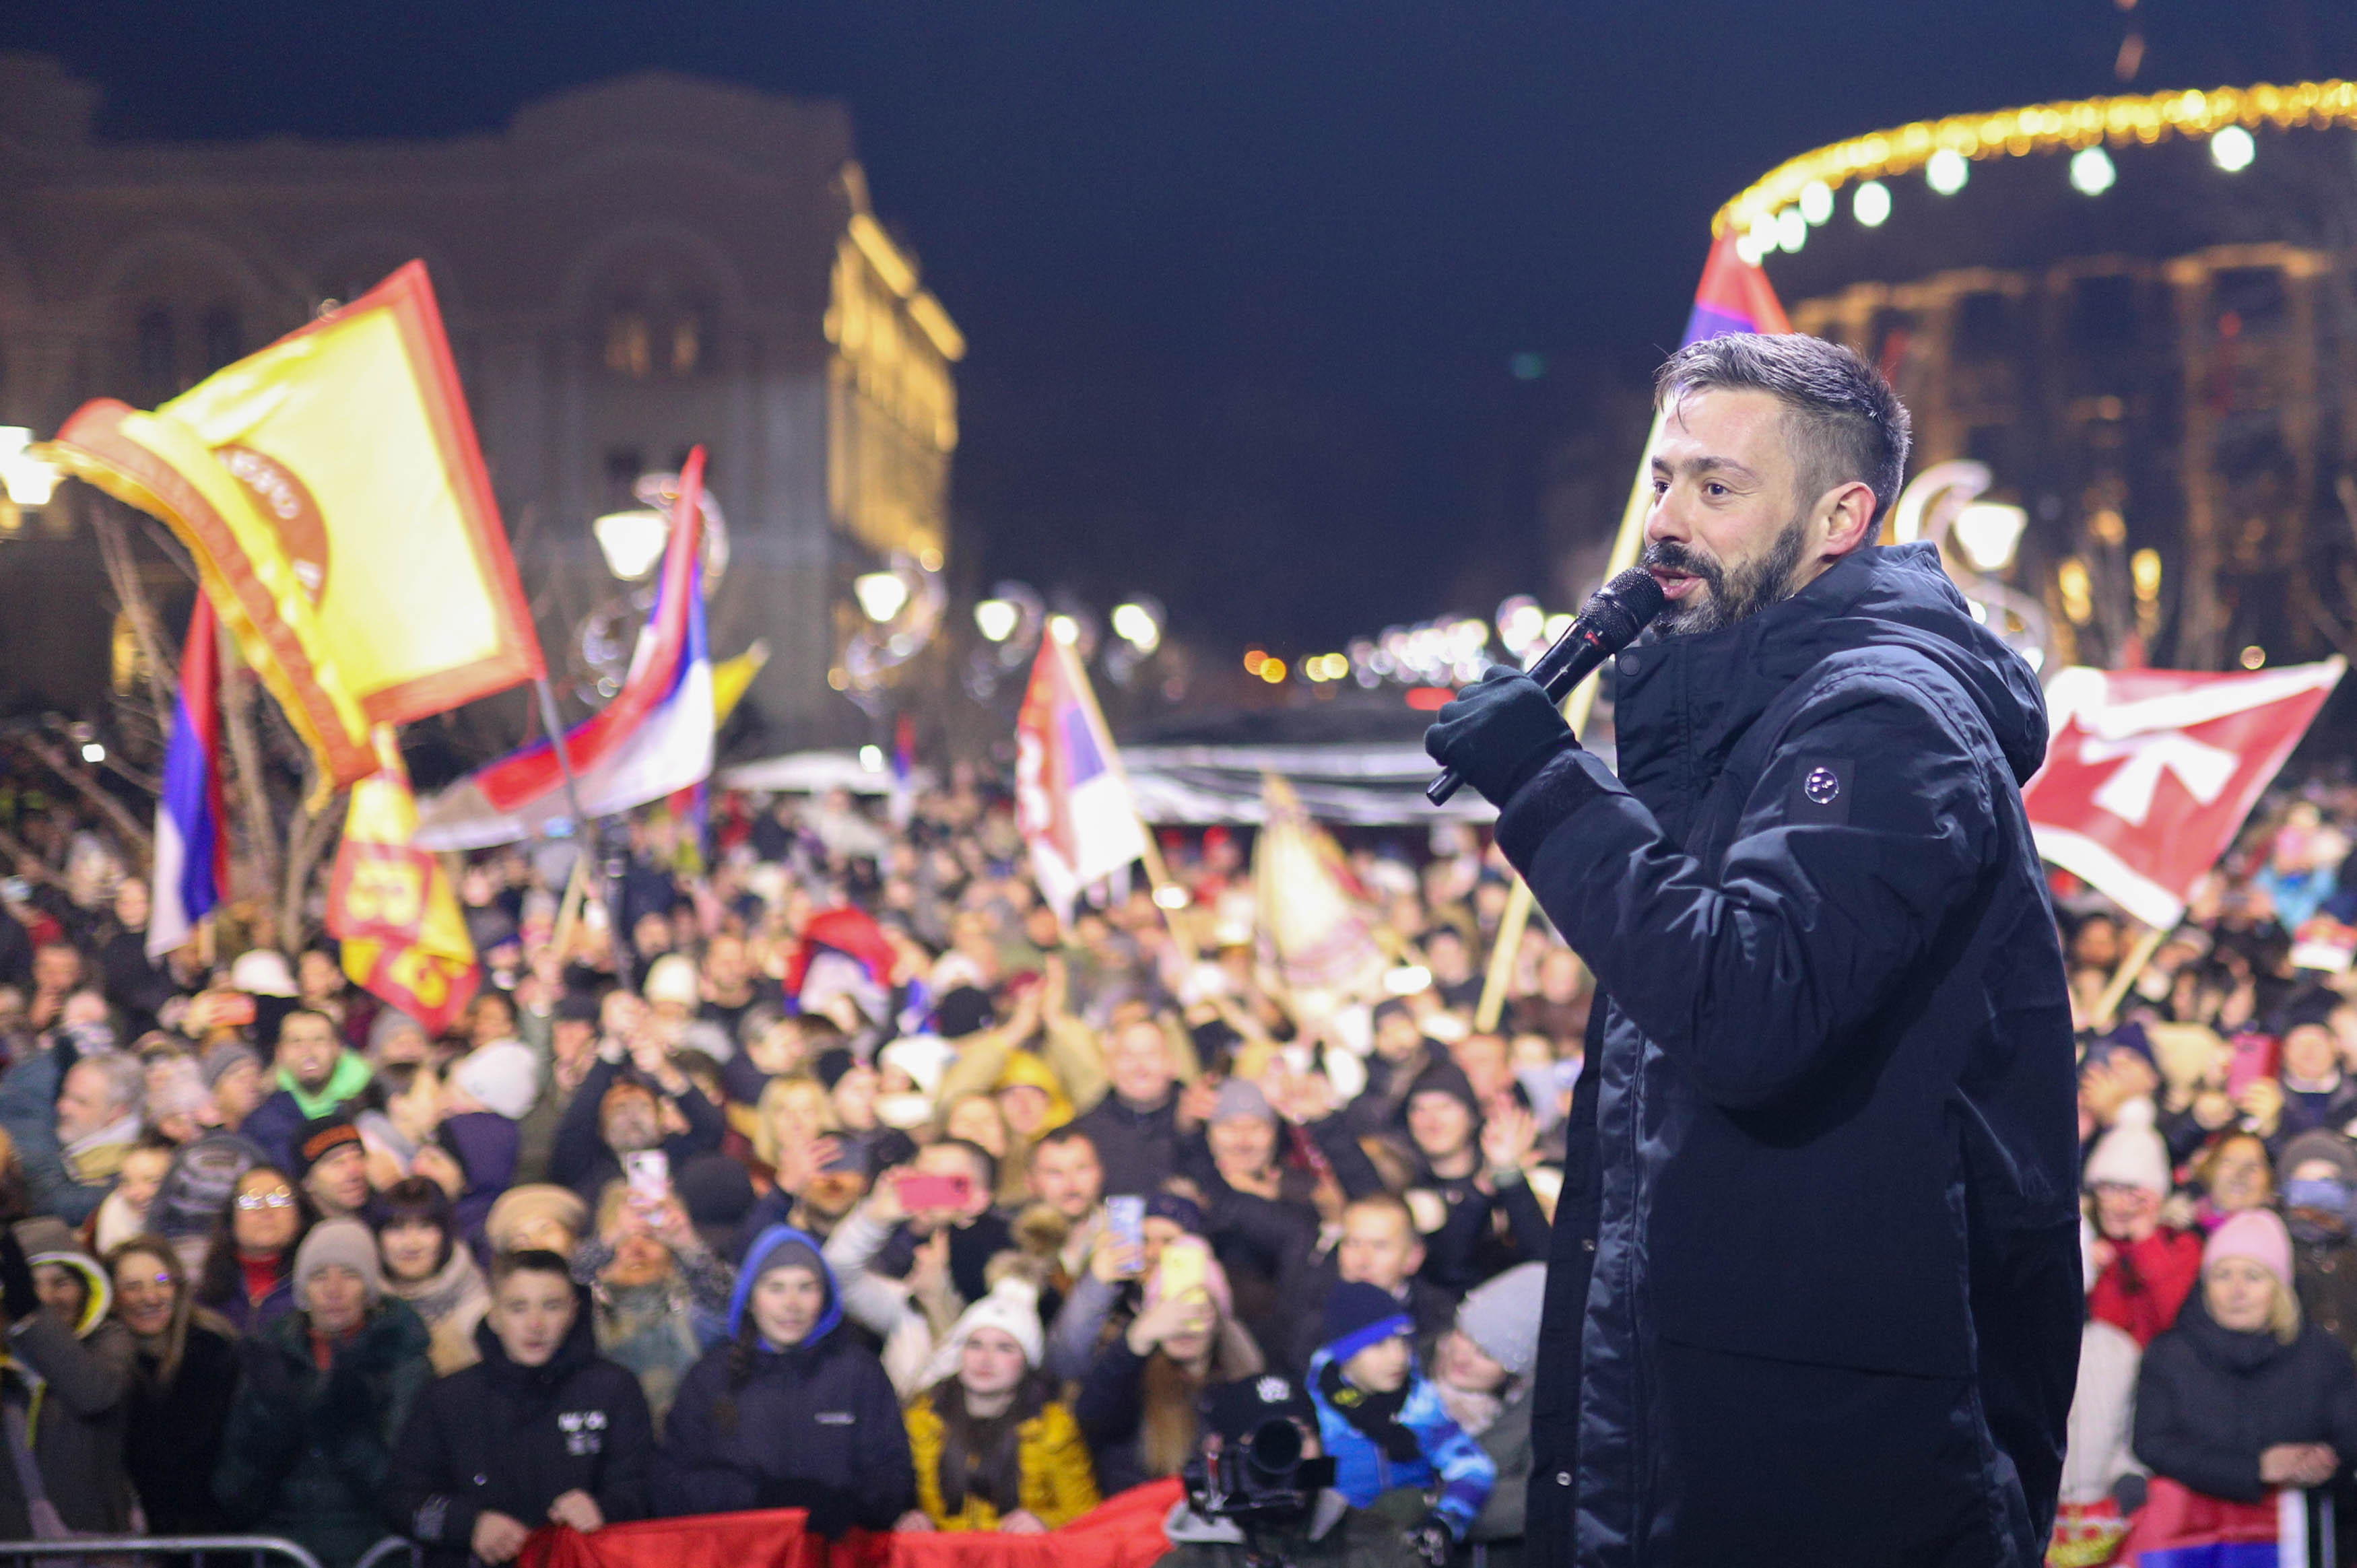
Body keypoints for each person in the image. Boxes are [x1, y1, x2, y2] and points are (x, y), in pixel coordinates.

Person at [1422, 331, 2078, 1563]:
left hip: (1844, 1458)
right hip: (1724, 1425)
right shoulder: (1749, 709)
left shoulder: (1889, 718)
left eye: (1717, 487)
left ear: (1842, 515)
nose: (1665, 518)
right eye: (1664, 478)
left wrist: (1551, 788)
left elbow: (1748, 1006)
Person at [387, 1249, 654, 1568]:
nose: (535, 1324)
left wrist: (605, 1508)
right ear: (495, 1315)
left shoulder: (614, 1389)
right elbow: (399, 1503)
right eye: (518, 1307)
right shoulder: (447, 1398)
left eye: (552, 1306)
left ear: (573, 1311)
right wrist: (469, 1526)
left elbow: (646, 1489)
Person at [655, 1224, 916, 1534]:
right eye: (776, 1288)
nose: (792, 1303)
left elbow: (893, 1474)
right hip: (744, 1554)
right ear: (750, 1298)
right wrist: (761, 1499)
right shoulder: (711, 1376)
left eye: (806, 1287)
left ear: (826, 1297)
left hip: (838, 1554)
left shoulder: (859, 1372)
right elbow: (671, 1484)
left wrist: (848, 1504)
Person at [213, 1218, 434, 1568]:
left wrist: (344, 1432)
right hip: (279, 1549)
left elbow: (404, 1484)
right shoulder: (271, 1358)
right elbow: (234, 1489)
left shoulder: (402, 1363)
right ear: (302, 1290)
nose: (334, 1289)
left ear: (369, 1287)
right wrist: (272, 1428)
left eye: (349, 1274)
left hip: (374, 1549)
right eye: (319, 1276)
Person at [2129, 1211, 2357, 1550]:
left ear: (2280, 1288)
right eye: (2223, 1275)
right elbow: (2152, 1442)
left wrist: (2326, 1459)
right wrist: (2255, 1468)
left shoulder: (2323, 1355)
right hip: (2192, 1540)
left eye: (2253, 1276)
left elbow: (2349, 1437)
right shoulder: (2170, 1354)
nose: (2237, 1291)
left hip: (2301, 1540)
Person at [1305, 1281, 1494, 1561]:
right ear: (1346, 1353)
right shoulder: (1315, 1417)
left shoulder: (1420, 1404)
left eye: (1403, 1342)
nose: (1398, 1358)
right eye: (1379, 1345)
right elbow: (1304, 1500)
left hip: (1407, 1553)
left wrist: (1442, 1525)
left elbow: (1473, 1467)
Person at [896, 1276, 1098, 1534]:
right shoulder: (920, 1420)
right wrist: (906, 1516)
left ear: (1027, 1362)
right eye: (975, 1345)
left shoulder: (1054, 1428)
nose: (985, 1359)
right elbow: (883, 1497)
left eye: (1004, 1348)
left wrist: (1046, 1522)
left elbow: (1088, 1515)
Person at [1072, 1235, 1263, 1494]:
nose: (1182, 1325)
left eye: (1197, 1310)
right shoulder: (1132, 1379)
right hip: (1142, 1521)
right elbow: (1090, 1419)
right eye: (1171, 1310)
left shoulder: (1245, 1383)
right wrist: (1134, 1342)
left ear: (1218, 1320)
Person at [1, 1219, 138, 1532]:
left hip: (91, 1543)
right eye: (30, 1285)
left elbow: (94, 1395)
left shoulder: (110, 1341)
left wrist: (28, 1316)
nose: (46, 1298)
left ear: (86, 1289)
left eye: (61, 1283)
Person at [106, 1233, 240, 1536]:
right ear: (111, 1298)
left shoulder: (214, 1349)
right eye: (132, 1286)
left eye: (162, 1281)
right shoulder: (102, 1366)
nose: (150, 1297)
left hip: (212, 1531)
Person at [1434, 1262, 1544, 1563]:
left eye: (1487, 1354)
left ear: (1516, 1372)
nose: (1462, 1357)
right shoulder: (1402, 1370)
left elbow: (1529, 1501)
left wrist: (1433, 1508)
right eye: (1464, 1335)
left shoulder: (1532, 1420)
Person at [2086, 1099, 2203, 1347]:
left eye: (2131, 1192)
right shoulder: (2089, 1242)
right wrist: (2094, 1273)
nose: (2117, 1204)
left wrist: (2146, 1240)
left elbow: (2170, 1318)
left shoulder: (2182, 1244)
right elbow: (2105, 1330)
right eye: (2107, 1189)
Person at [376, 1176, 492, 1375]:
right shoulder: (365, 1306)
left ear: (445, 1234)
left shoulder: (482, 1312)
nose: (411, 1244)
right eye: (396, 1227)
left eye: (425, 1227)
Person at [242, 1009, 376, 1171]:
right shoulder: (261, 1124)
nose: (308, 1052)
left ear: (338, 1048)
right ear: (280, 1053)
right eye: (296, 1042)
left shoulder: (373, 1102)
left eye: (319, 1040)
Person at [195, 1163, 310, 1332]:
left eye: (279, 1199)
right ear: (231, 1217)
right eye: (250, 1201)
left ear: (299, 1213)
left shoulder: (313, 1288)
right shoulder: (207, 1298)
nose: (265, 1210)